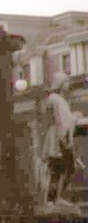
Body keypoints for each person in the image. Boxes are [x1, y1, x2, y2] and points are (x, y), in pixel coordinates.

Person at [40, 73, 85, 207]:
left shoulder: (56, 99)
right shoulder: (56, 99)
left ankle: (56, 197)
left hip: (59, 135)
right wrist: (75, 117)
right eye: (66, 82)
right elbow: (61, 120)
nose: (68, 85)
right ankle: (52, 199)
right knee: (59, 168)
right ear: (60, 83)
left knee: (65, 168)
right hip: (58, 136)